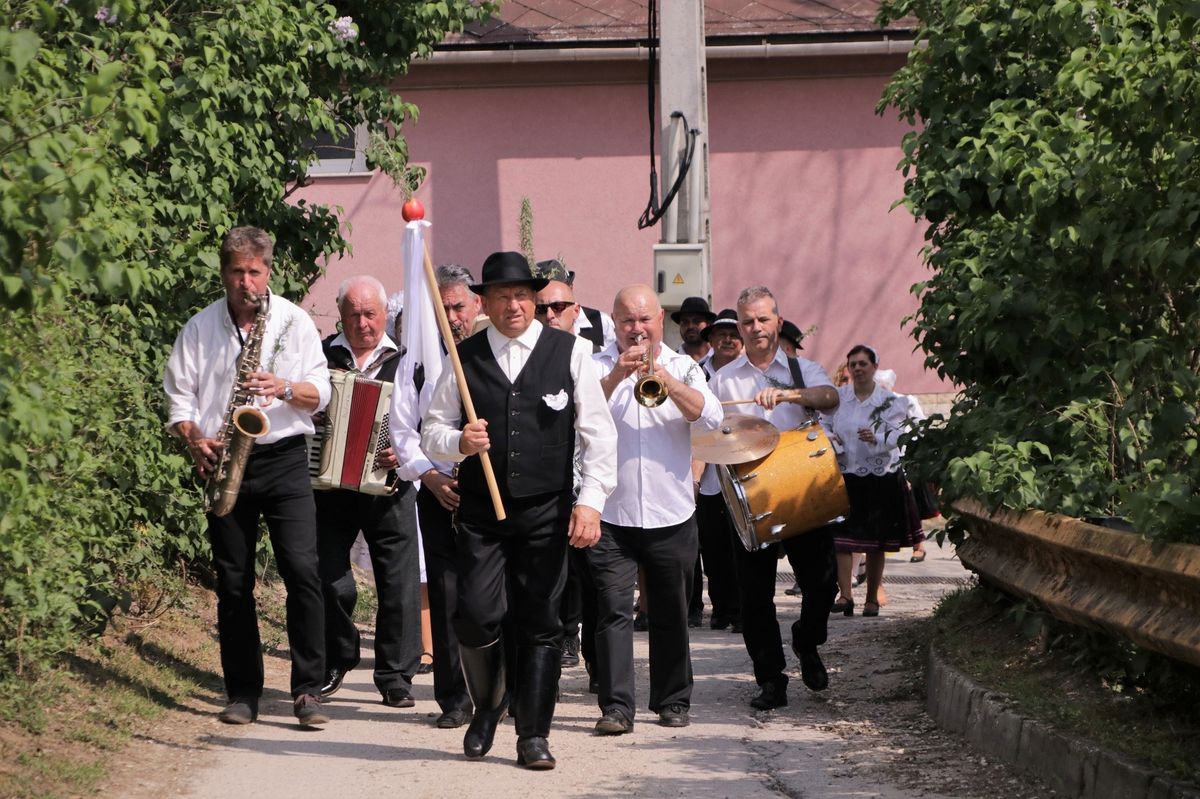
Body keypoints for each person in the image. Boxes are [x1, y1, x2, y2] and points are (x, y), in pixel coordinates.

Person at [421, 252, 617, 769]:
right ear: (484, 302)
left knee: (540, 622)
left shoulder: (571, 352)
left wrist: (591, 503)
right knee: (476, 615)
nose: (515, 304)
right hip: (482, 514)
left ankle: (533, 735)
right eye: (503, 295)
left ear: (535, 300)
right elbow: (432, 429)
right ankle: (488, 707)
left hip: (546, 513)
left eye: (523, 295)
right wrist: (459, 440)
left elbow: (599, 436)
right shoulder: (463, 359)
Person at [163, 226, 332, 727]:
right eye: (236, 271)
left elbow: (320, 393)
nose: (246, 282)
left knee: (303, 571)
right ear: (223, 273)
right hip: (222, 456)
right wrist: (194, 439)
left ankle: (308, 689)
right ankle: (242, 692)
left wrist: (282, 387)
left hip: (281, 456)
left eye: (254, 272)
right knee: (233, 582)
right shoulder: (199, 327)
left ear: (268, 271)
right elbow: (178, 399)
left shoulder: (294, 322)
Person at [588, 285, 721, 735]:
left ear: (659, 320)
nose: (637, 329)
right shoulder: (595, 366)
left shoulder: (684, 366)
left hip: (672, 512)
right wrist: (614, 380)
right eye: (627, 320)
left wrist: (669, 381)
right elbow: (572, 420)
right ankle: (616, 707)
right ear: (614, 322)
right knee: (611, 612)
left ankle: (672, 700)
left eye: (644, 320)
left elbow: (712, 417)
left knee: (671, 612)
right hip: (611, 513)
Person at [709, 285, 840, 710]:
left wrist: (788, 395)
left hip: (802, 490)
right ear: (740, 327)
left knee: (822, 583)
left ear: (778, 323)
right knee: (754, 595)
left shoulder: (803, 370)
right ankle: (770, 678)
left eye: (763, 319)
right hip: (750, 496)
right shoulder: (724, 380)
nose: (755, 328)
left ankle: (807, 639)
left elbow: (830, 399)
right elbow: (708, 433)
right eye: (747, 321)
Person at [314, 276, 421, 708]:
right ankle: (338, 656)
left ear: (385, 316)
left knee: (398, 580)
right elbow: (300, 407)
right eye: (354, 314)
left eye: (371, 314)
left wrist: (405, 450)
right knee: (328, 576)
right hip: (329, 483)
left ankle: (395, 675)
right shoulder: (321, 356)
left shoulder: (409, 362)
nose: (363, 323)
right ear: (341, 316)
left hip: (389, 484)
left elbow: (427, 417)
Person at [389, 263, 482, 729]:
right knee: (445, 595)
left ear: (476, 306)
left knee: (490, 594)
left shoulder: (494, 353)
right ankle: (454, 699)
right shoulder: (418, 360)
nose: (452, 317)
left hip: (491, 491)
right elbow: (402, 427)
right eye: (443, 308)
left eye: (459, 307)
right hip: (438, 490)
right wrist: (428, 476)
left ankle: (499, 690)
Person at [533, 264, 594, 675]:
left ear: (574, 306)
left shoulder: (597, 345)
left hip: (590, 478)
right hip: (549, 479)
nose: (550, 315)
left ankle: (600, 665)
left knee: (592, 577)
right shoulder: (527, 351)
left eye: (558, 306)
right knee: (553, 574)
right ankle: (561, 641)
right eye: (543, 309)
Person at [827, 346, 918, 618]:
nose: (857, 368)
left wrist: (877, 438)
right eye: (852, 364)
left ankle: (871, 599)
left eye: (862, 363)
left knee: (876, 541)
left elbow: (901, 436)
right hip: (846, 474)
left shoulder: (890, 402)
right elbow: (821, 422)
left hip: (879, 476)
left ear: (874, 366)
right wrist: (833, 440)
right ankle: (845, 594)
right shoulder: (839, 397)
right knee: (842, 539)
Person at [693, 308, 743, 632]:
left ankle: (740, 610)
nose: (727, 340)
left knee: (741, 545)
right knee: (711, 547)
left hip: (742, 471)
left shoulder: (746, 376)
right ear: (710, 339)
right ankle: (721, 607)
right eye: (721, 334)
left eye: (733, 335)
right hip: (708, 474)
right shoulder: (696, 373)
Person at [672, 295, 716, 364]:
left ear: (708, 324)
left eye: (697, 321)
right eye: (685, 322)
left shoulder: (720, 361)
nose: (690, 326)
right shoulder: (670, 363)